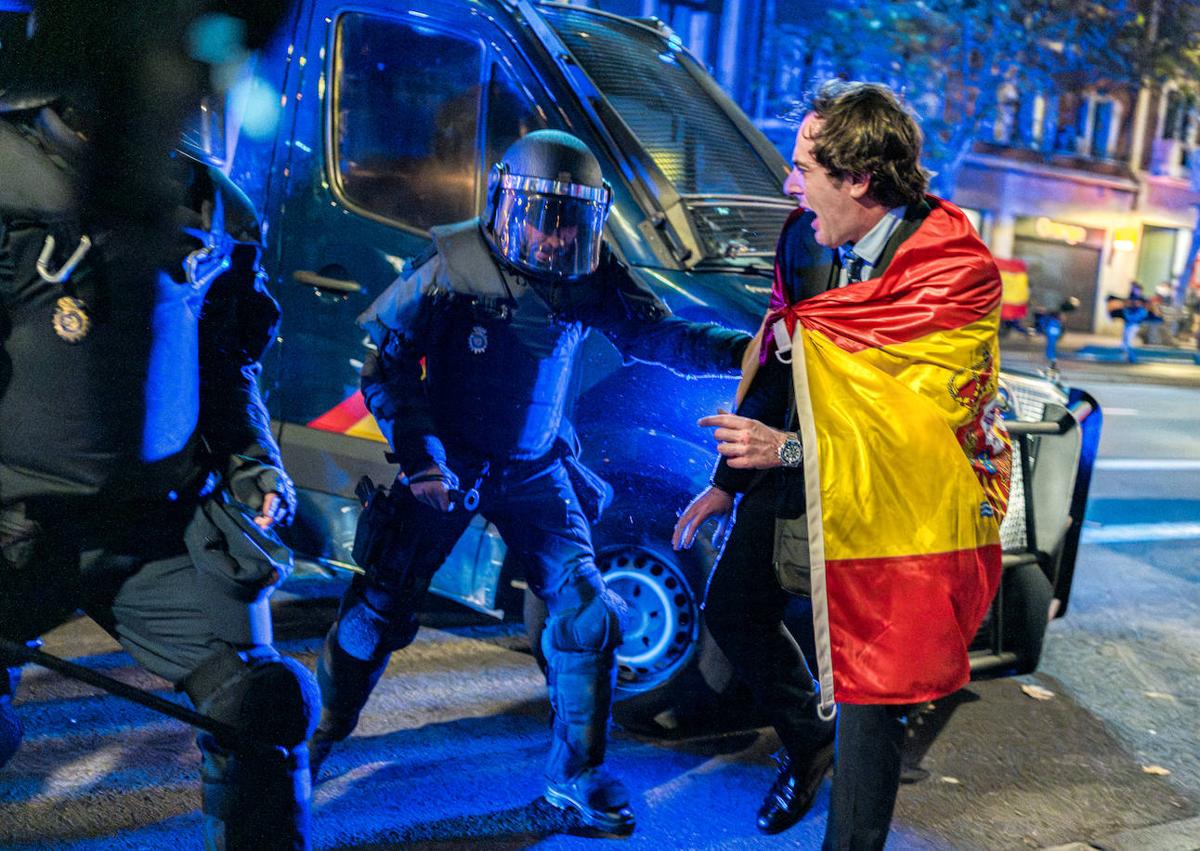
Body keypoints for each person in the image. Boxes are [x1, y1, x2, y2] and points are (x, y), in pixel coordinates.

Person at [308, 130, 750, 834]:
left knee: (585, 612)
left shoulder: (589, 274)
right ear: (506, 205)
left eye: (567, 221)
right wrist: (423, 458)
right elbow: (387, 370)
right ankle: (307, 745)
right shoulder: (453, 263)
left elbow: (658, 336)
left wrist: (747, 347)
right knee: (377, 611)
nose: (551, 238)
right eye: (540, 217)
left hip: (537, 464)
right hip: (447, 465)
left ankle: (576, 776)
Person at [673, 81, 1012, 850]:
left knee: (872, 685)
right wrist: (730, 483)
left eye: (802, 167)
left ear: (858, 179)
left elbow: (920, 432)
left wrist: (784, 451)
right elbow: (788, 357)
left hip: (910, 497)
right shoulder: (803, 239)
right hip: (808, 456)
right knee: (733, 607)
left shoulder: (954, 272)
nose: (790, 185)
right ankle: (804, 736)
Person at [0, 78, 317, 851]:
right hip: (13, 518)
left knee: (261, 704)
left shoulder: (211, 209)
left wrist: (254, 466)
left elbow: (225, 370)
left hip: (155, 522)